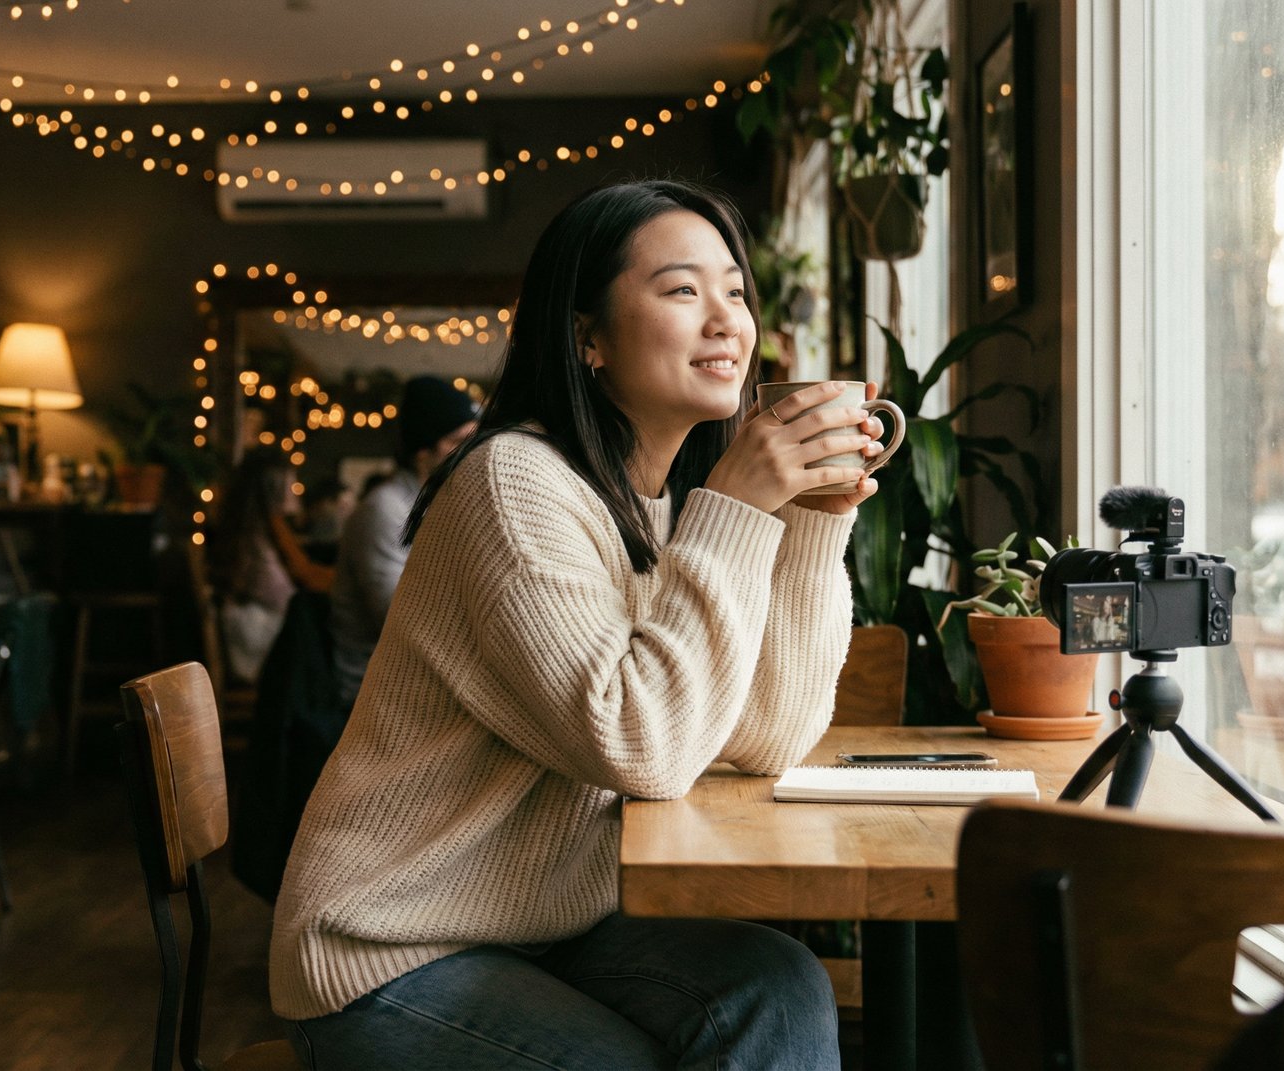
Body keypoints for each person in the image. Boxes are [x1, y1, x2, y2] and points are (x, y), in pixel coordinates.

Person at [269, 178, 889, 1070]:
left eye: (735, 290)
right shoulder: (512, 484)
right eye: (683, 290)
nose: (728, 320)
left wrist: (811, 520)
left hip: (549, 924)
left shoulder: (660, 506)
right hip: (389, 944)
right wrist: (737, 506)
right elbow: (641, 744)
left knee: (779, 984)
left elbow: (765, 736)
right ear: (586, 337)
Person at [329, 375, 480, 712]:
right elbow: (400, 618)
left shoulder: (440, 504)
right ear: (422, 452)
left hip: (424, 676)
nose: (472, 452)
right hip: (378, 689)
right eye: (458, 441)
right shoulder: (385, 509)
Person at [216, 450, 335, 684]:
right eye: (290, 480)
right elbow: (301, 579)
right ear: (274, 486)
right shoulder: (267, 528)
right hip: (259, 646)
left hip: (247, 633)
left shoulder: (245, 526)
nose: (294, 487)